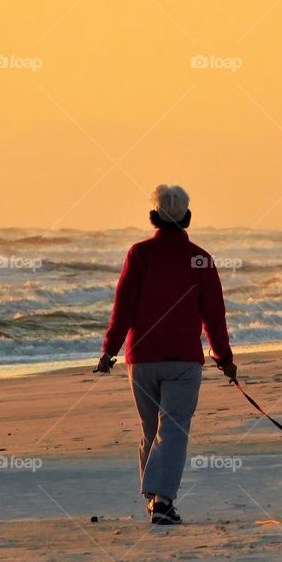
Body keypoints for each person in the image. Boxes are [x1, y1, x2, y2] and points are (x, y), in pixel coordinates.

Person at [97, 184, 237, 525]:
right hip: (184, 361)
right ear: (187, 218)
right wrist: (224, 357)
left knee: (150, 428)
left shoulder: (139, 254)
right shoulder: (200, 258)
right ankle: (161, 501)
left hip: (142, 359)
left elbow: (123, 308)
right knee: (172, 429)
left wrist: (109, 351)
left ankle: (154, 497)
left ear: (152, 217)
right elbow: (214, 316)